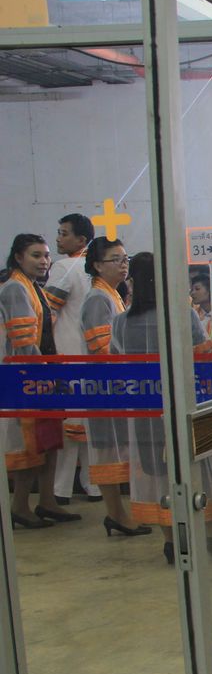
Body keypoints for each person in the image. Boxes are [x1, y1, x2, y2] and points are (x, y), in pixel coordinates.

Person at [111, 252, 212, 563]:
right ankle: (202, 535)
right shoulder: (182, 315)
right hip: (182, 407)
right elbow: (205, 356)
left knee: (157, 476)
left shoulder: (120, 322)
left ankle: (171, 541)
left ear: (133, 282)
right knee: (193, 471)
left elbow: (116, 365)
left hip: (144, 411)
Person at [1, 234, 75, 528]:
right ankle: (20, 505)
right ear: (18, 257)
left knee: (48, 440)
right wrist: (41, 375)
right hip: (26, 376)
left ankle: (47, 500)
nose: (44, 261)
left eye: (46, 255)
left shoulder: (34, 287)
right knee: (29, 443)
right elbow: (23, 341)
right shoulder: (15, 288)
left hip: (44, 372)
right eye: (36, 255)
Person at [80, 238, 149, 537]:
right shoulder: (98, 298)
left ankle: (120, 514)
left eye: (125, 259)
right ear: (97, 265)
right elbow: (102, 347)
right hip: (104, 385)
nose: (123, 265)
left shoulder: (113, 295)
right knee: (108, 450)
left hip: (115, 384)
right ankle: (115, 514)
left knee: (117, 449)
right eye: (115, 259)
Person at [45, 213, 101, 506]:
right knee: (90, 425)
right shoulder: (95, 270)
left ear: (81, 240)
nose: (58, 238)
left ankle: (61, 488)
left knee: (68, 427)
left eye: (64, 233)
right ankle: (93, 485)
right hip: (92, 355)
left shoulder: (65, 267)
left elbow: (46, 312)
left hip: (67, 354)